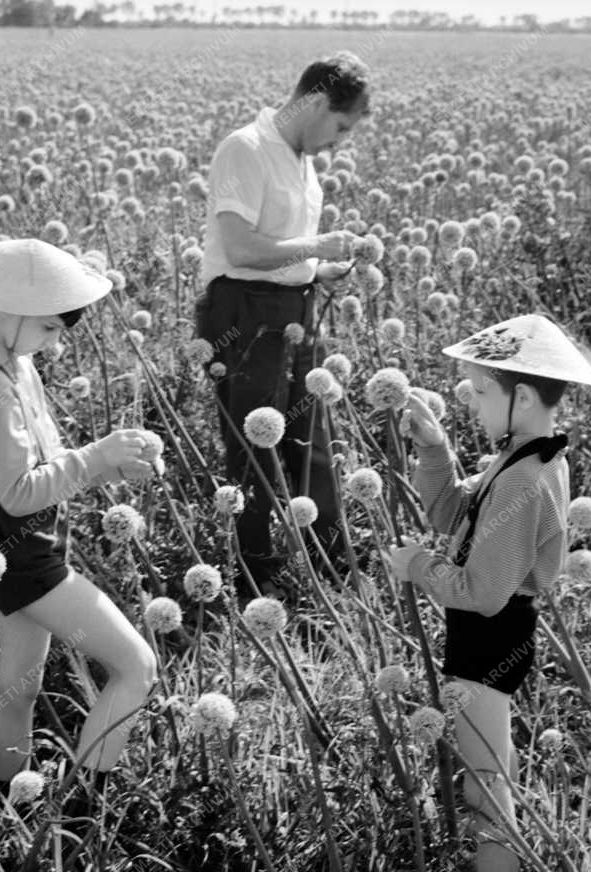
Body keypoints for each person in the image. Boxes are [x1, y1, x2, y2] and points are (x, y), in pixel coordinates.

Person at [386, 313, 591, 872]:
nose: (474, 402)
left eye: (482, 391)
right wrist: (434, 450)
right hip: (492, 635)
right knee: (492, 774)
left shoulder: (526, 477)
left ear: (526, 398)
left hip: (489, 639)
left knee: (487, 793)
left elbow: (482, 592)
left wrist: (418, 566)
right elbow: (457, 513)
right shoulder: (524, 457)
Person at [0, 237, 158, 784]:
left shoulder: (12, 362)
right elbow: (16, 492)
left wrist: (110, 464)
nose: (56, 345)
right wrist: (95, 456)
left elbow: (50, 462)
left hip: (23, 552)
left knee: (21, 686)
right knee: (136, 666)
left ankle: (5, 800)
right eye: (51, 329)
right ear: (13, 310)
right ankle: (88, 801)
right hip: (30, 561)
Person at [195, 51, 371, 598]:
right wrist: (317, 246)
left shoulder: (302, 160)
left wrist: (320, 269)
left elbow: (282, 251)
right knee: (254, 447)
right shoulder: (245, 148)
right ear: (316, 102)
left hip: (291, 309)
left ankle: (331, 568)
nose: (338, 142)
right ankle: (255, 578)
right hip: (241, 313)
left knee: (313, 438)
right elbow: (241, 247)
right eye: (340, 126)